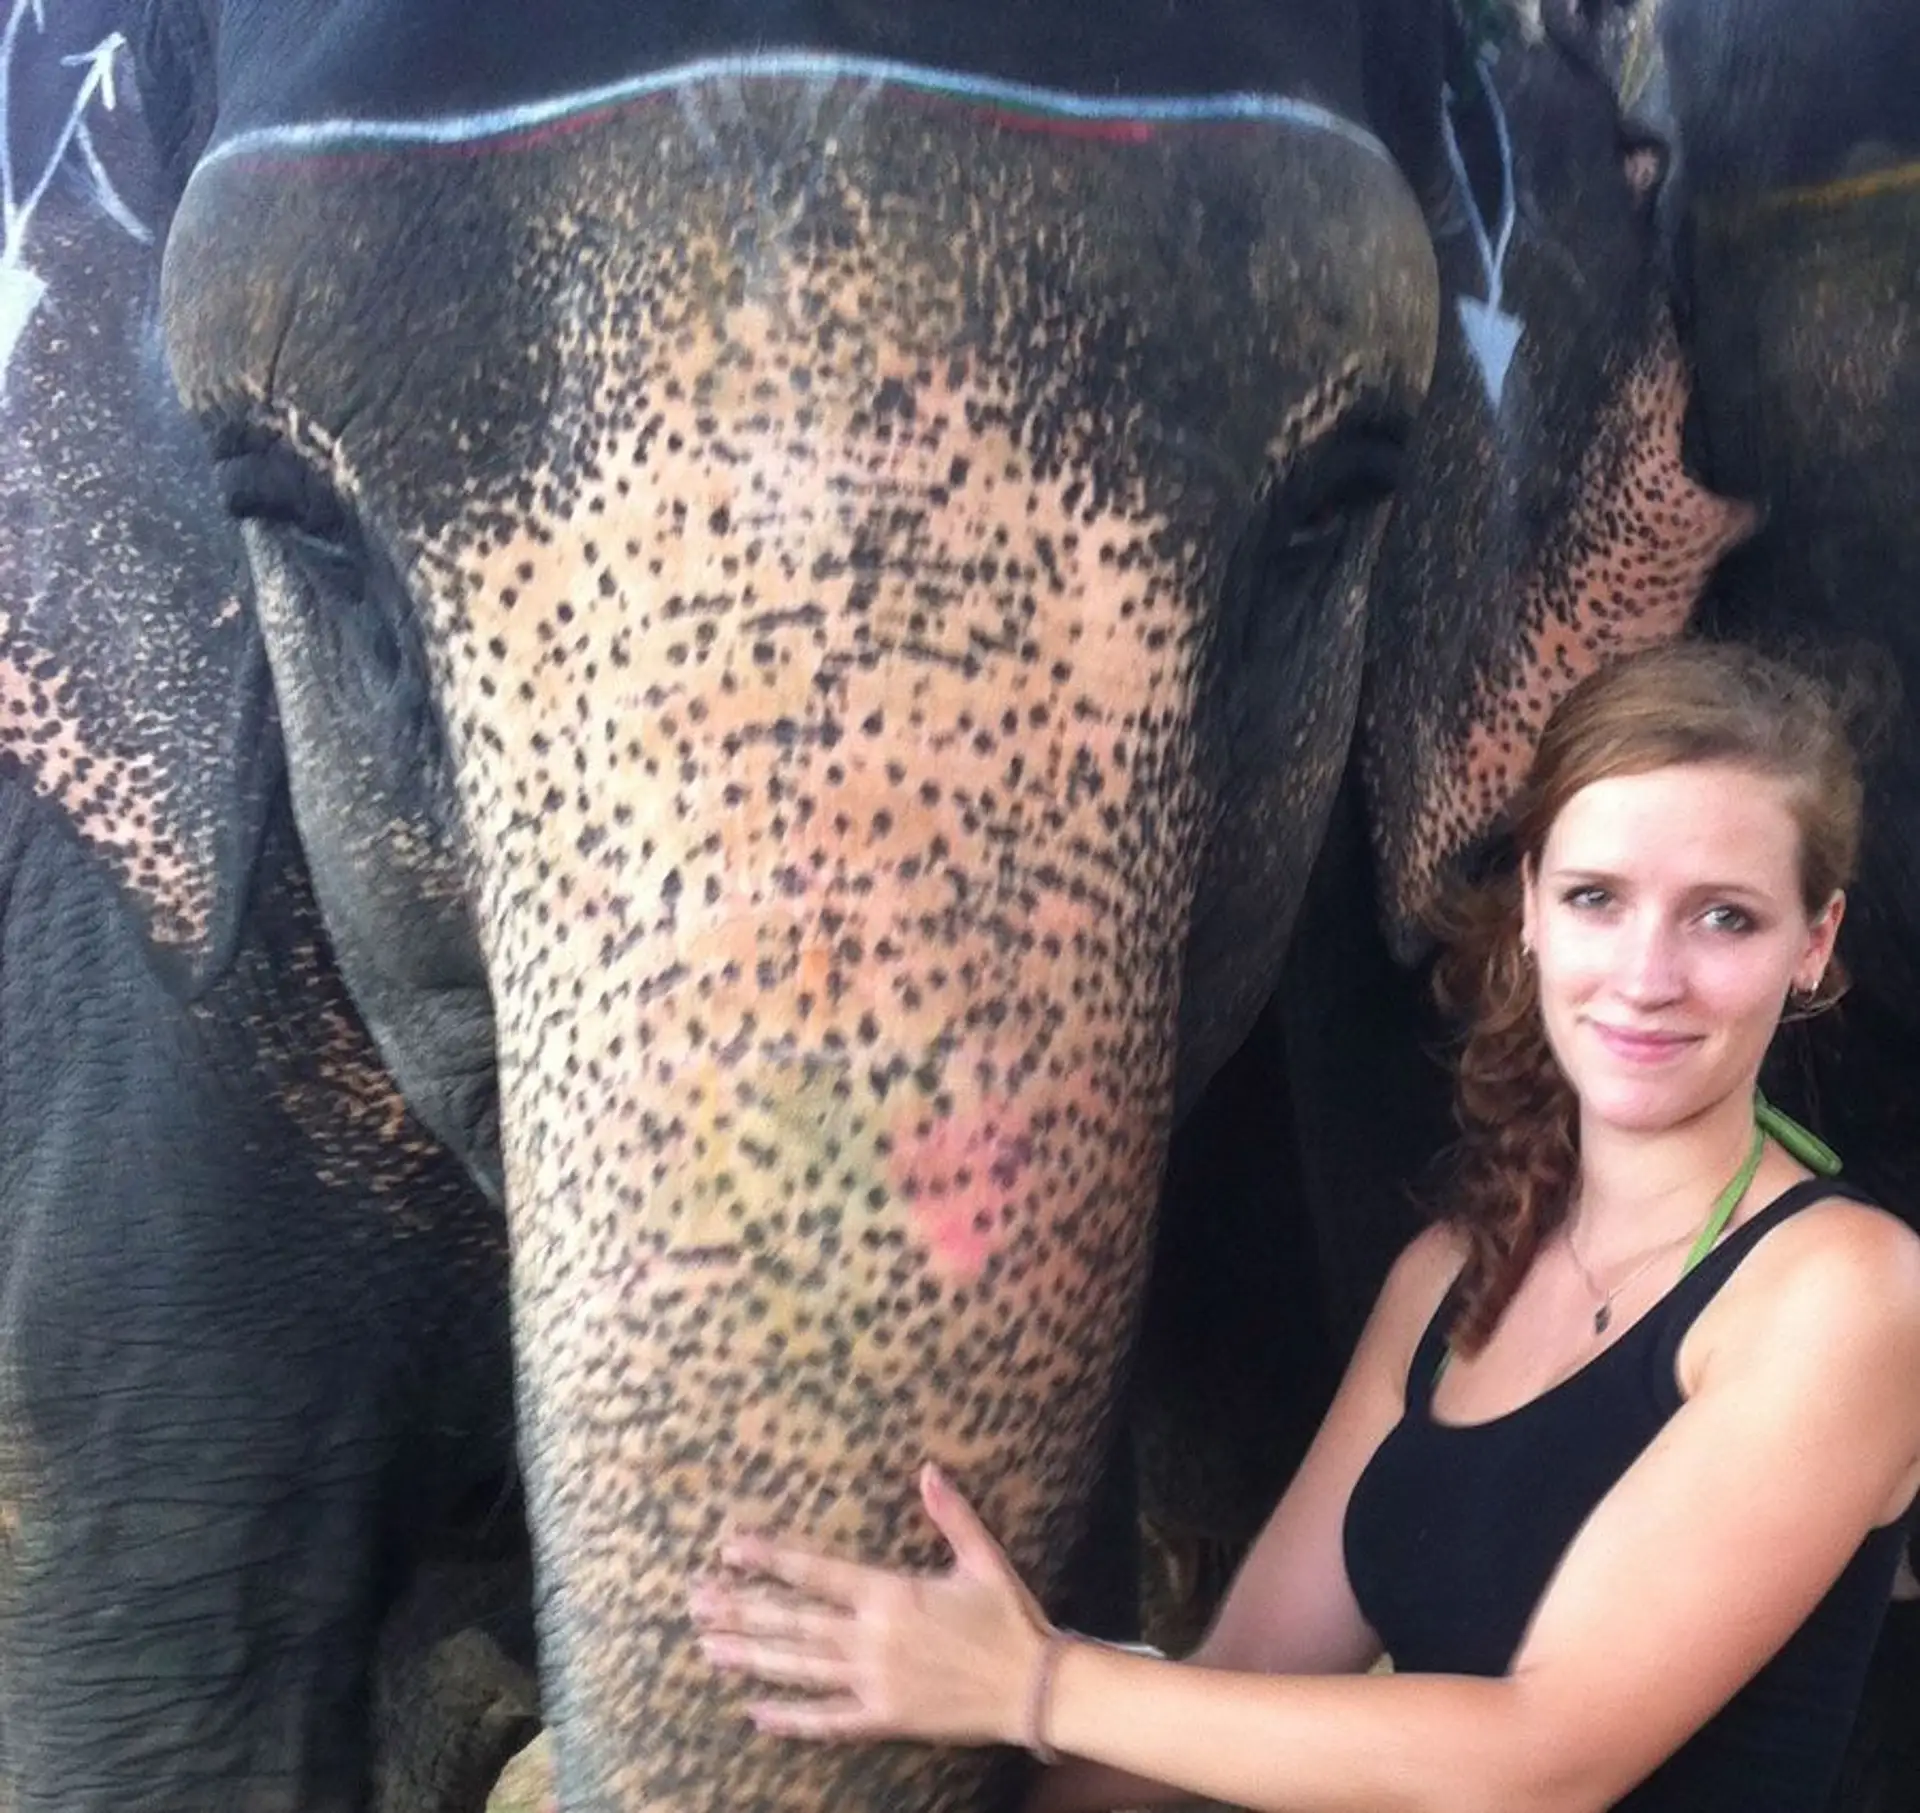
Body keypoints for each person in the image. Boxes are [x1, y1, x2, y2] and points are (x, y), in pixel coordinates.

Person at [690, 642, 1920, 1813]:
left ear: (1813, 945)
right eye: (1599, 896)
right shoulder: (1451, 1278)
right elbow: (1239, 1685)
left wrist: (1035, 1683)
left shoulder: (1846, 1292)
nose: (1648, 973)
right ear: (1535, 908)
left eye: (1725, 918)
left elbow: (1542, 1769)